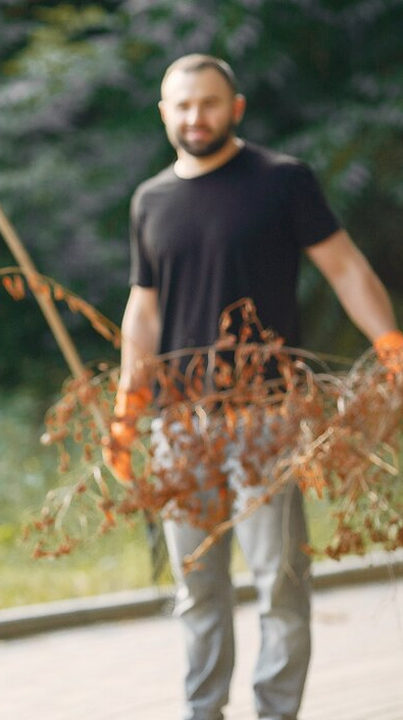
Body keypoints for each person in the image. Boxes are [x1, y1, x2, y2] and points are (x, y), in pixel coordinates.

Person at [104, 54, 402, 720]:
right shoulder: (151, 199)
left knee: (280, 585)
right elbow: (144, 312)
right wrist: (128, 412)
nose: (195, 117)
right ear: (163, 114)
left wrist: (391, 349)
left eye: (208, 103)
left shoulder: (282, 181)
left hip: (266, 416)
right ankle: (201, 711)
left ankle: (275, 713)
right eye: (181, 106)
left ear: (235, 108)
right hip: (178, 426)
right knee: (197, 589)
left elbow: (347, 270)